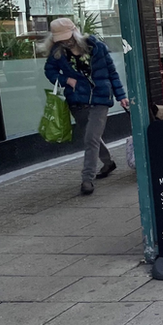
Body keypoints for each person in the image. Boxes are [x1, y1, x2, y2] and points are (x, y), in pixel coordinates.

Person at [43, 18, 129, 195]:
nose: (65, 41)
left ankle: (87, 179)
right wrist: (65, 80)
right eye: (60, 39)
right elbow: (49, 71)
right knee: (93, 137)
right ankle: (108, 163)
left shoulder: (97, 48)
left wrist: (121, 96)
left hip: (100, 98)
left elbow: (112, 73)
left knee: (90, 138)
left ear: (75, 32)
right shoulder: (57, 52)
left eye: (67, 37)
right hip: (77, 100)